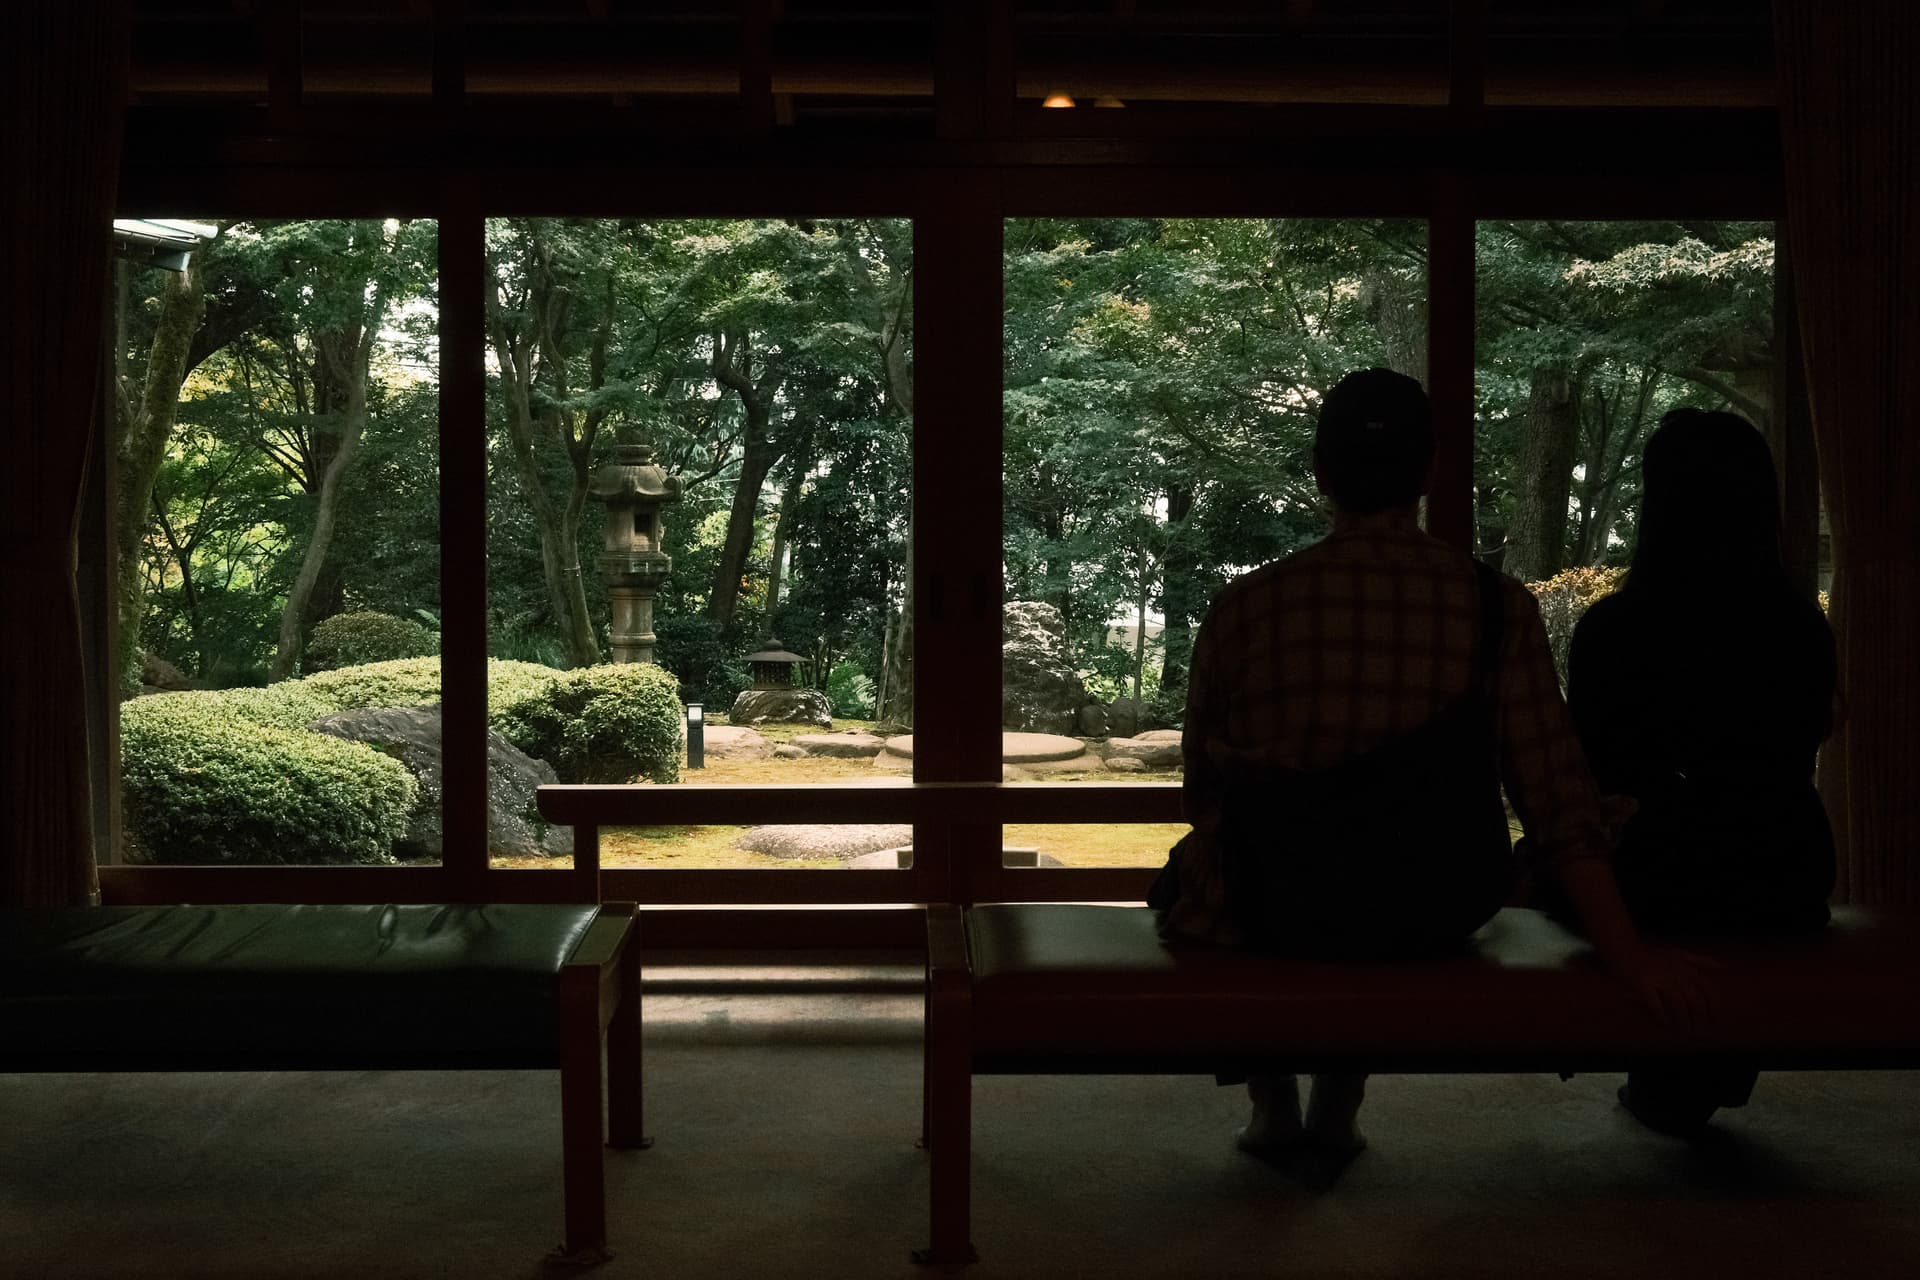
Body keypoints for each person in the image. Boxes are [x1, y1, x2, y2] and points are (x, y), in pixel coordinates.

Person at [1149, 367, 1709, 1180]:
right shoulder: (1494, 604)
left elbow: (1205, 794)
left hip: (1275, 899)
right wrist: (1632, 953)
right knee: (1383, 867)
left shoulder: (1248, 604)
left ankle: (1273, 1104)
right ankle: (1339, 1100)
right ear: (1430, 470)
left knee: (1195, 879)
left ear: (1320, 473)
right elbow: (1556, 800)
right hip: (1433, 900)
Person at [1566, 407, 1837, 1136]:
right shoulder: (1801, 627)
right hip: (1785, 874)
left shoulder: (1613, 631)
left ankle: (1672, 1082)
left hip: (1660, 879)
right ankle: (1693, 1079)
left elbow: (1592, 779)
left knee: (1560, 869)